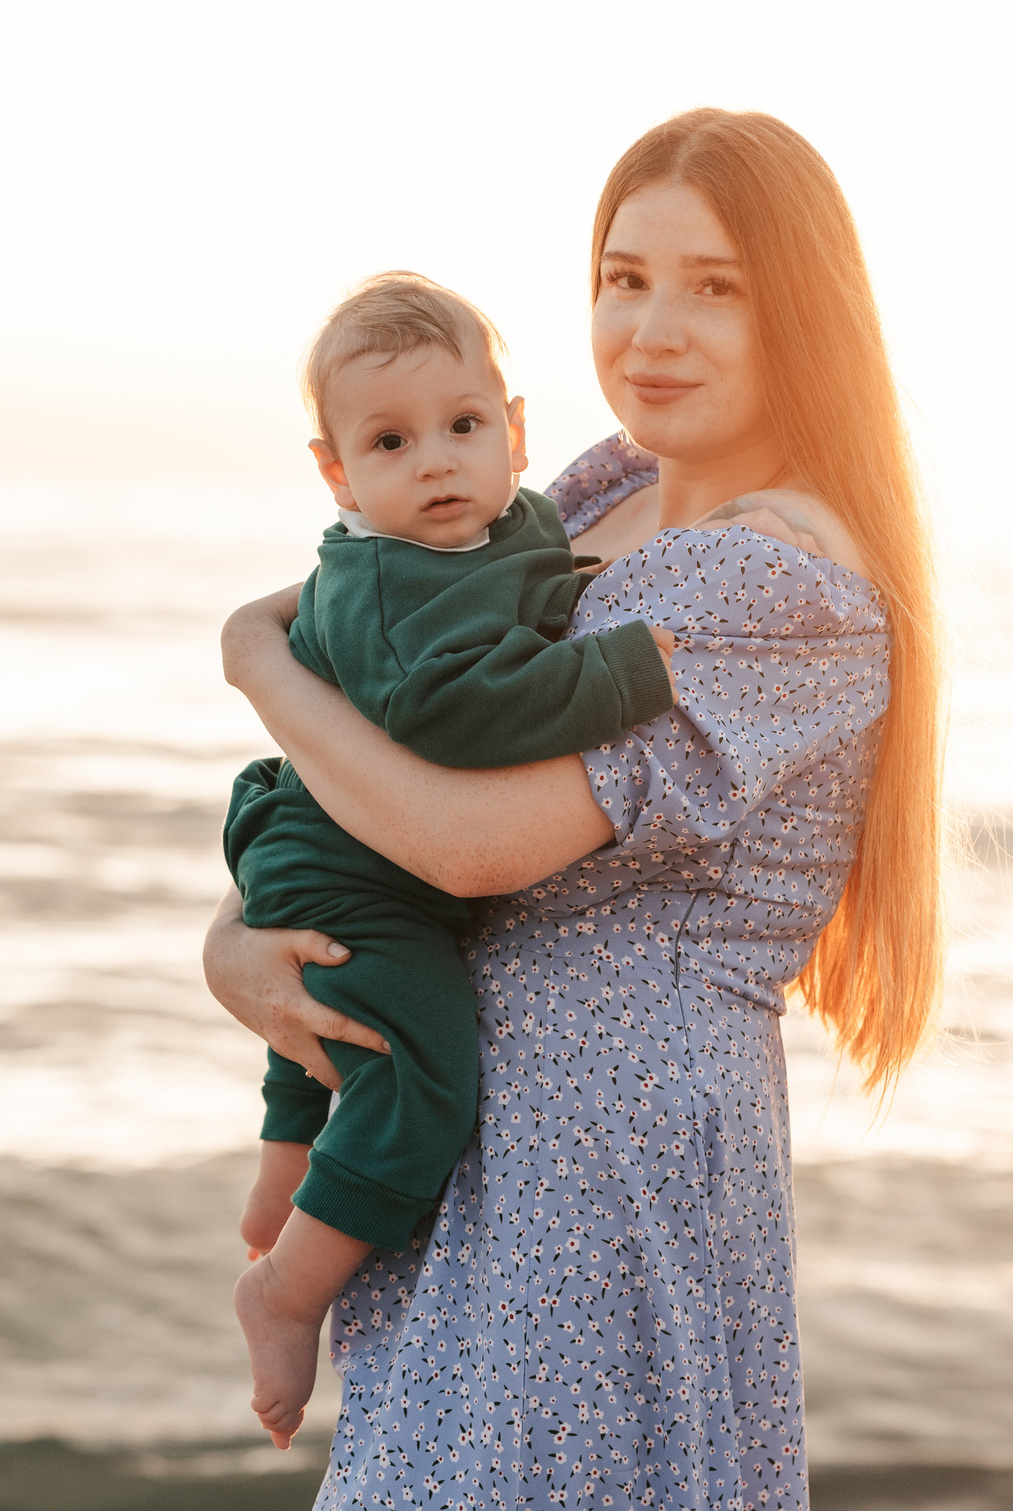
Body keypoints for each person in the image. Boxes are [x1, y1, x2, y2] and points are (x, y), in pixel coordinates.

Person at [207, 109, 946, 1508]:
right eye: (624, 277)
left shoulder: (771, 582)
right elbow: (374, 732)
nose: (652, 329)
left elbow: (464, 836)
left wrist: (250, 658)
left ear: (805, 310)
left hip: (603, 1169)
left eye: (715, 286)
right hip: (472, 1130)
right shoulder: (599, 491)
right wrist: (237, 937)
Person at [229, 270, 680, 1445]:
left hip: (345, 854)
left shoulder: (523, 517)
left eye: (463, 427)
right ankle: (285, 1291)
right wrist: (624, 668)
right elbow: (459, 714)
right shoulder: (384, 585)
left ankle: (285, 1184)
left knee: (340, 1017)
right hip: (349, 870)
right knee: (417, 1065)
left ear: (516, 430)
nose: (436, 462)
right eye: (390, 441)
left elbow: (535, 595)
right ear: (336, 472)